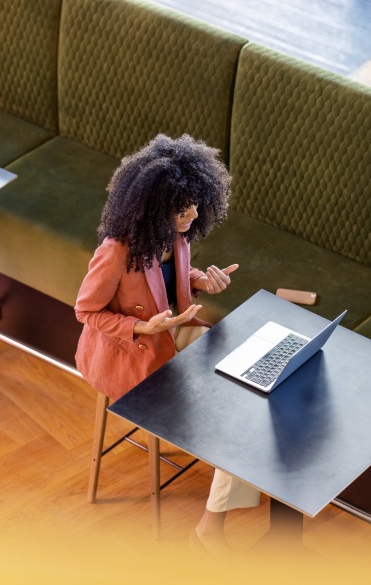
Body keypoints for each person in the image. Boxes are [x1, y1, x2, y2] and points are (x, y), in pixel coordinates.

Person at [74, 133, 259, 560]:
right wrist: (140, 328)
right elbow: (87, 312)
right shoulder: (115, 252)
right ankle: (212, 525)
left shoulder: (174, 233)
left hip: (174, 336)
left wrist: (199, 280)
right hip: (134, 361)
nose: (193, 214)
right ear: (154, 208)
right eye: (183, 207)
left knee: (253, 392)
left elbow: (171, 276)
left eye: (196, 203)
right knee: (240, 427)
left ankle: (233, 488)